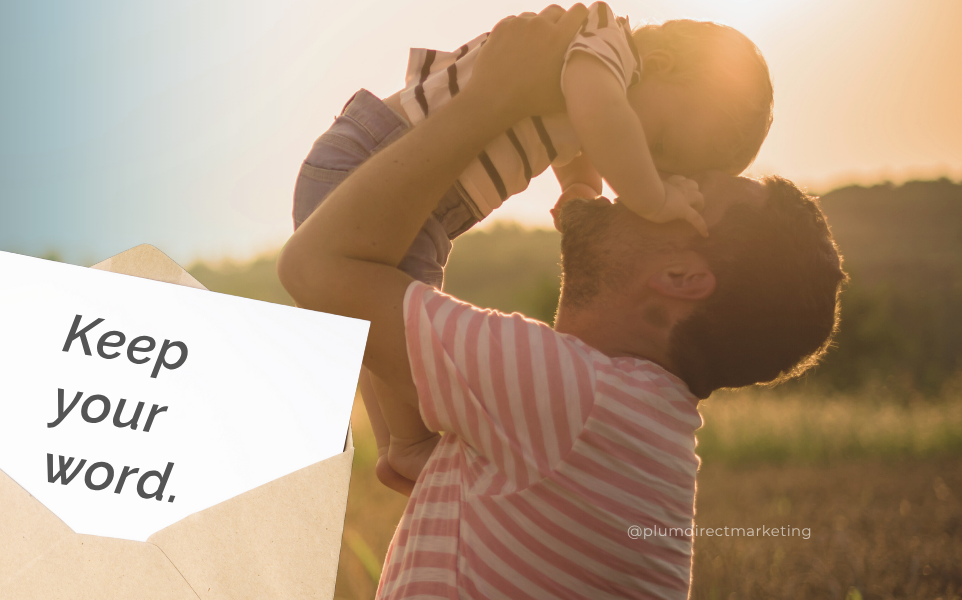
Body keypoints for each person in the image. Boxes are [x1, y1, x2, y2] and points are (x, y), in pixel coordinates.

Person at [279, 4, 845, 598]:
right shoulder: (633, 427)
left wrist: (491, 100)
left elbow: (313, 269)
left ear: (681, 275)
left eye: (683, 187)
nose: (644, 178)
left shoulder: (578, 401)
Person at [293, 1, 773, 490]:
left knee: (387, 312)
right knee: (401, 295)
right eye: (663, 145)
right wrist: (653, 195)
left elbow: (583, 131)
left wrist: (580, 190)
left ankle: (402, 441)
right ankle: (409, 444)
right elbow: (599, 114)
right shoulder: (607, 47)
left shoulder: (600, 70)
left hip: (397, 183)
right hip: (373, 159)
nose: (644, 159)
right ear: (665, 65)